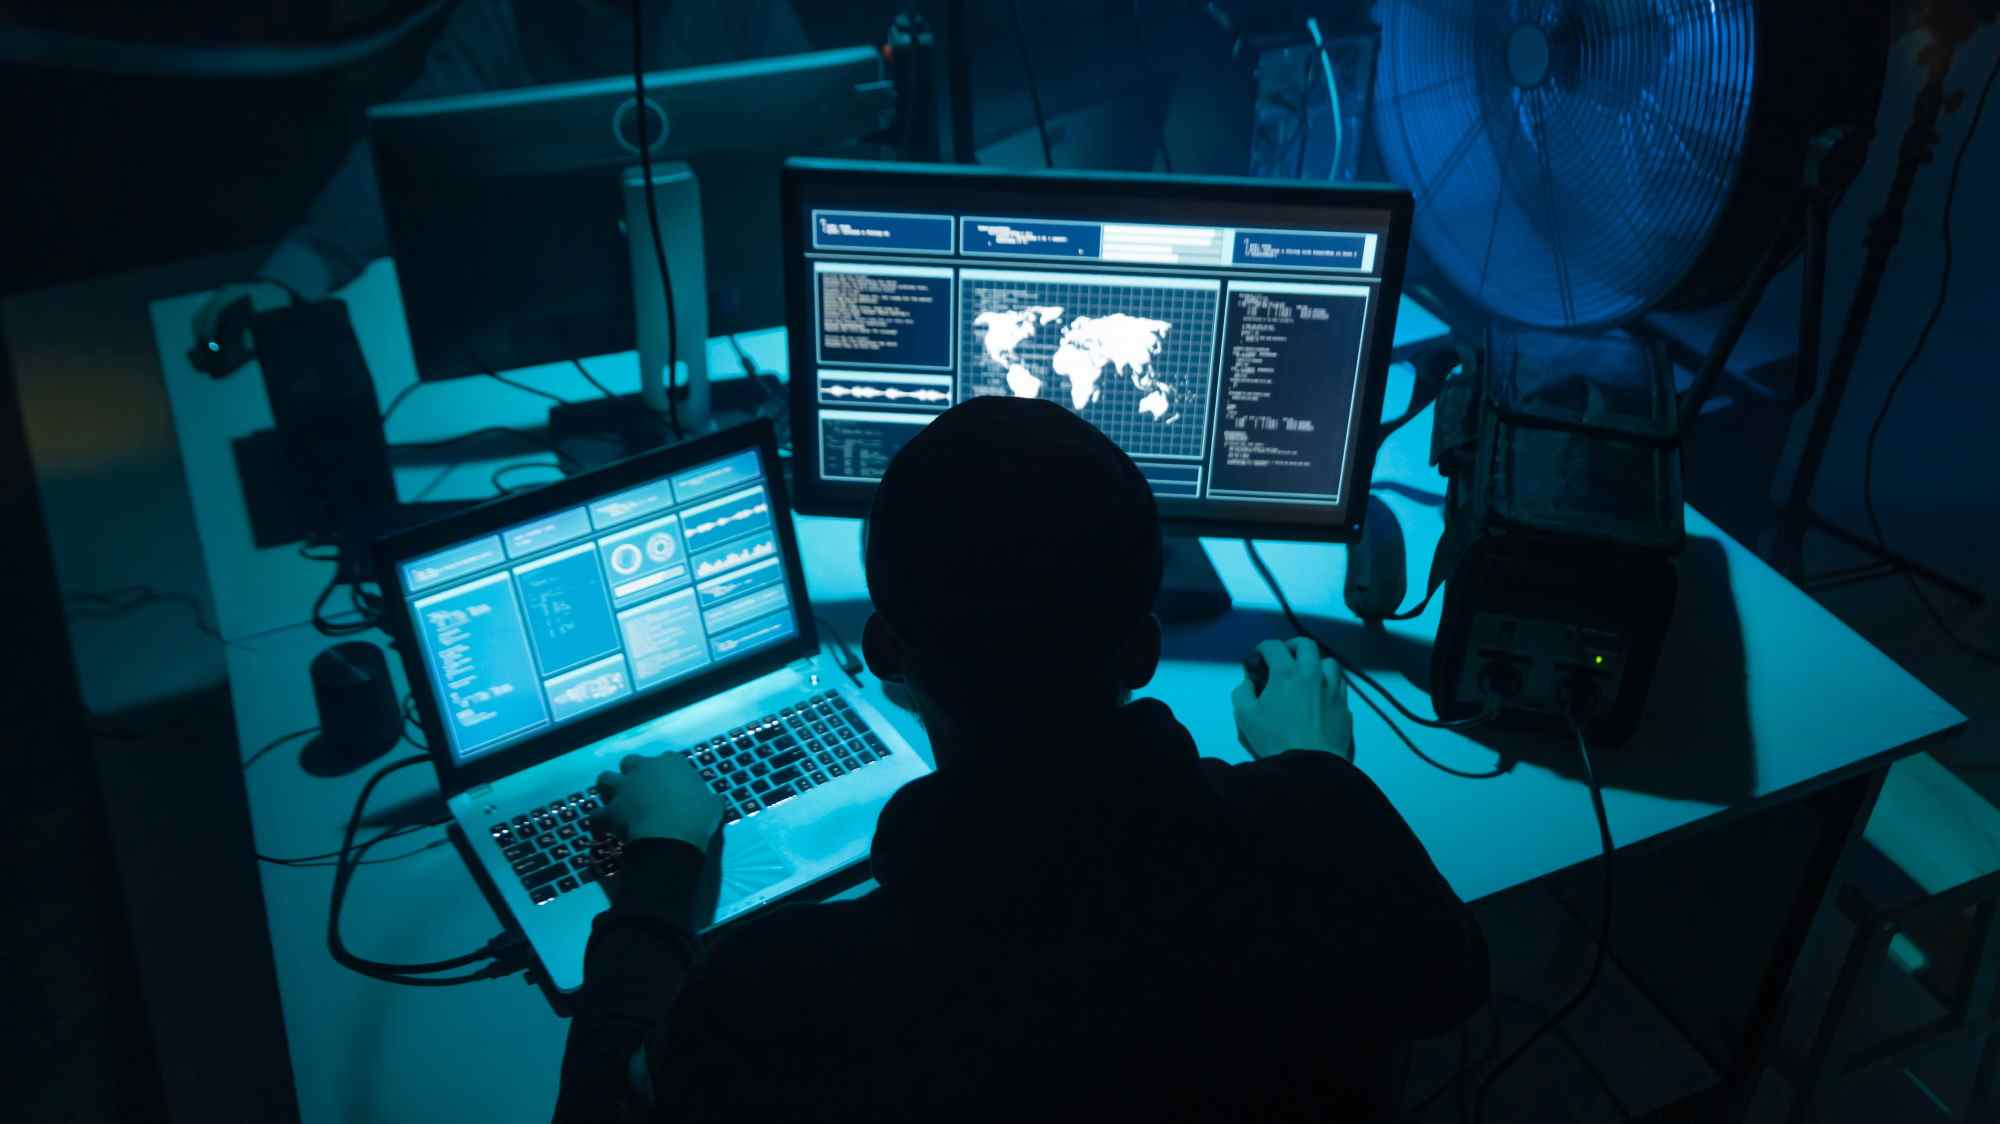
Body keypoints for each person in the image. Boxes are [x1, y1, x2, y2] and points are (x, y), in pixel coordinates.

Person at [555, 395, 1489, 1122]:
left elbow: (602, 1109)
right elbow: (1451, 985)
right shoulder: (1322, 827)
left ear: (886, 657)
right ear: (1144, 651)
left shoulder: (775, 991)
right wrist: (1318, 774)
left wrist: (662, 865)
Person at [191, 0, 808, 347]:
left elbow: (814, 120)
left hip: (737, 323)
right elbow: (410, 145)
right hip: (553, 330)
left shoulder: (744, 9)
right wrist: (293, 275)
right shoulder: (505, 16)